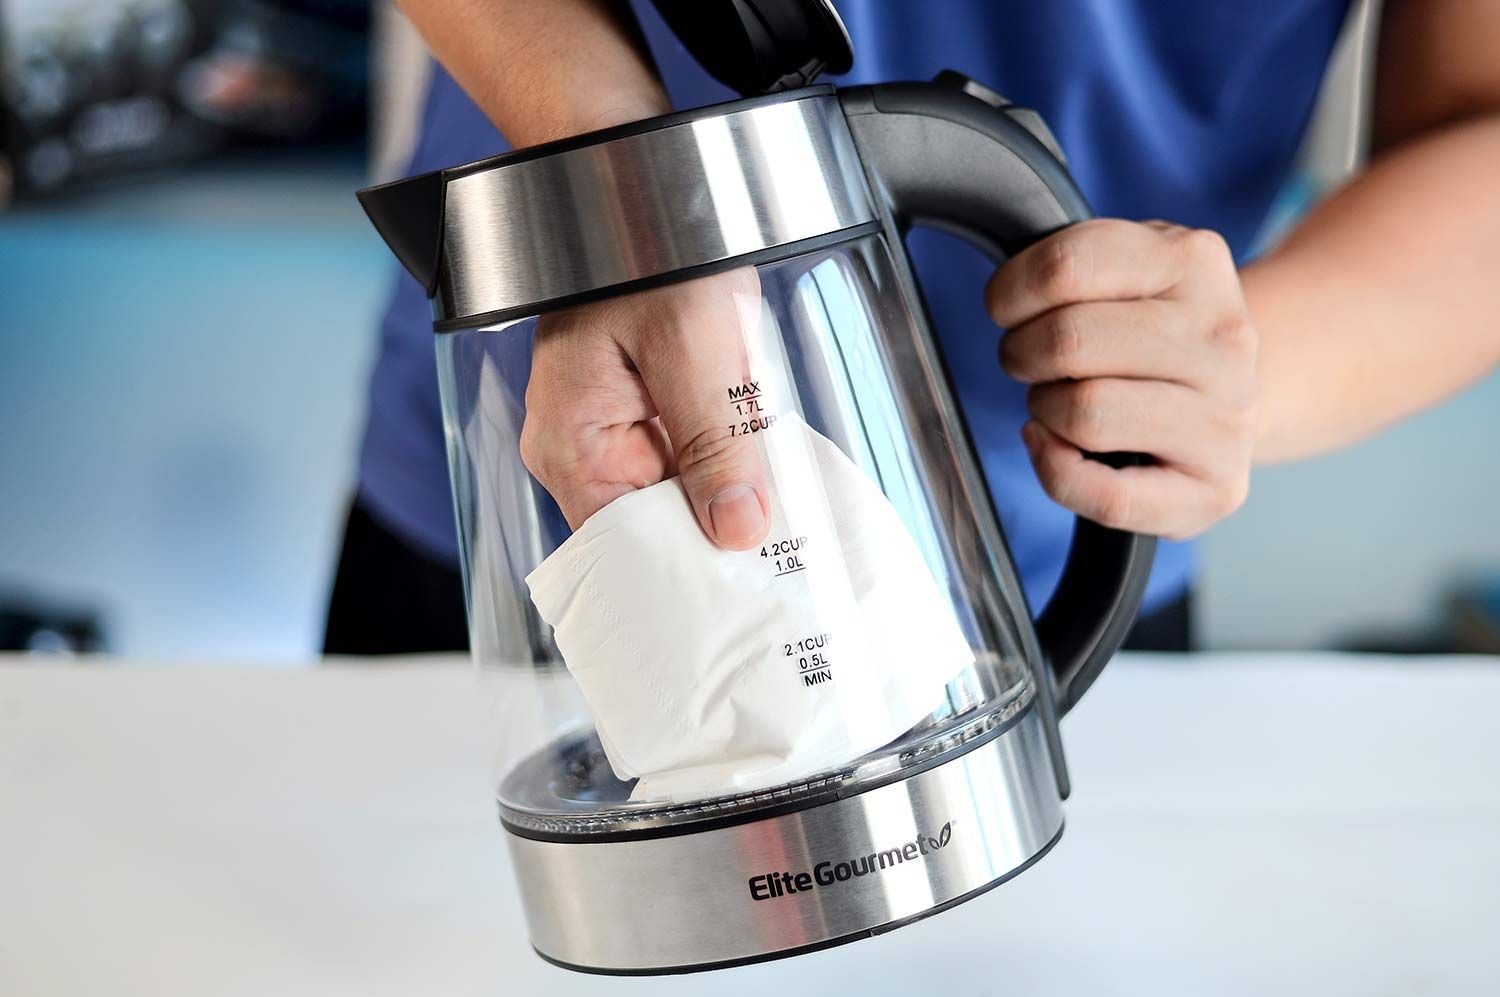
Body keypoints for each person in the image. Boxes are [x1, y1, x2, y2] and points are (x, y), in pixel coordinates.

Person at [323, 0, 1500, 655]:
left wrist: (1239, 373)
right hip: (542, 520)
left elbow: (1480, 119)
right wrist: (618, 178)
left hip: (1064, 561)